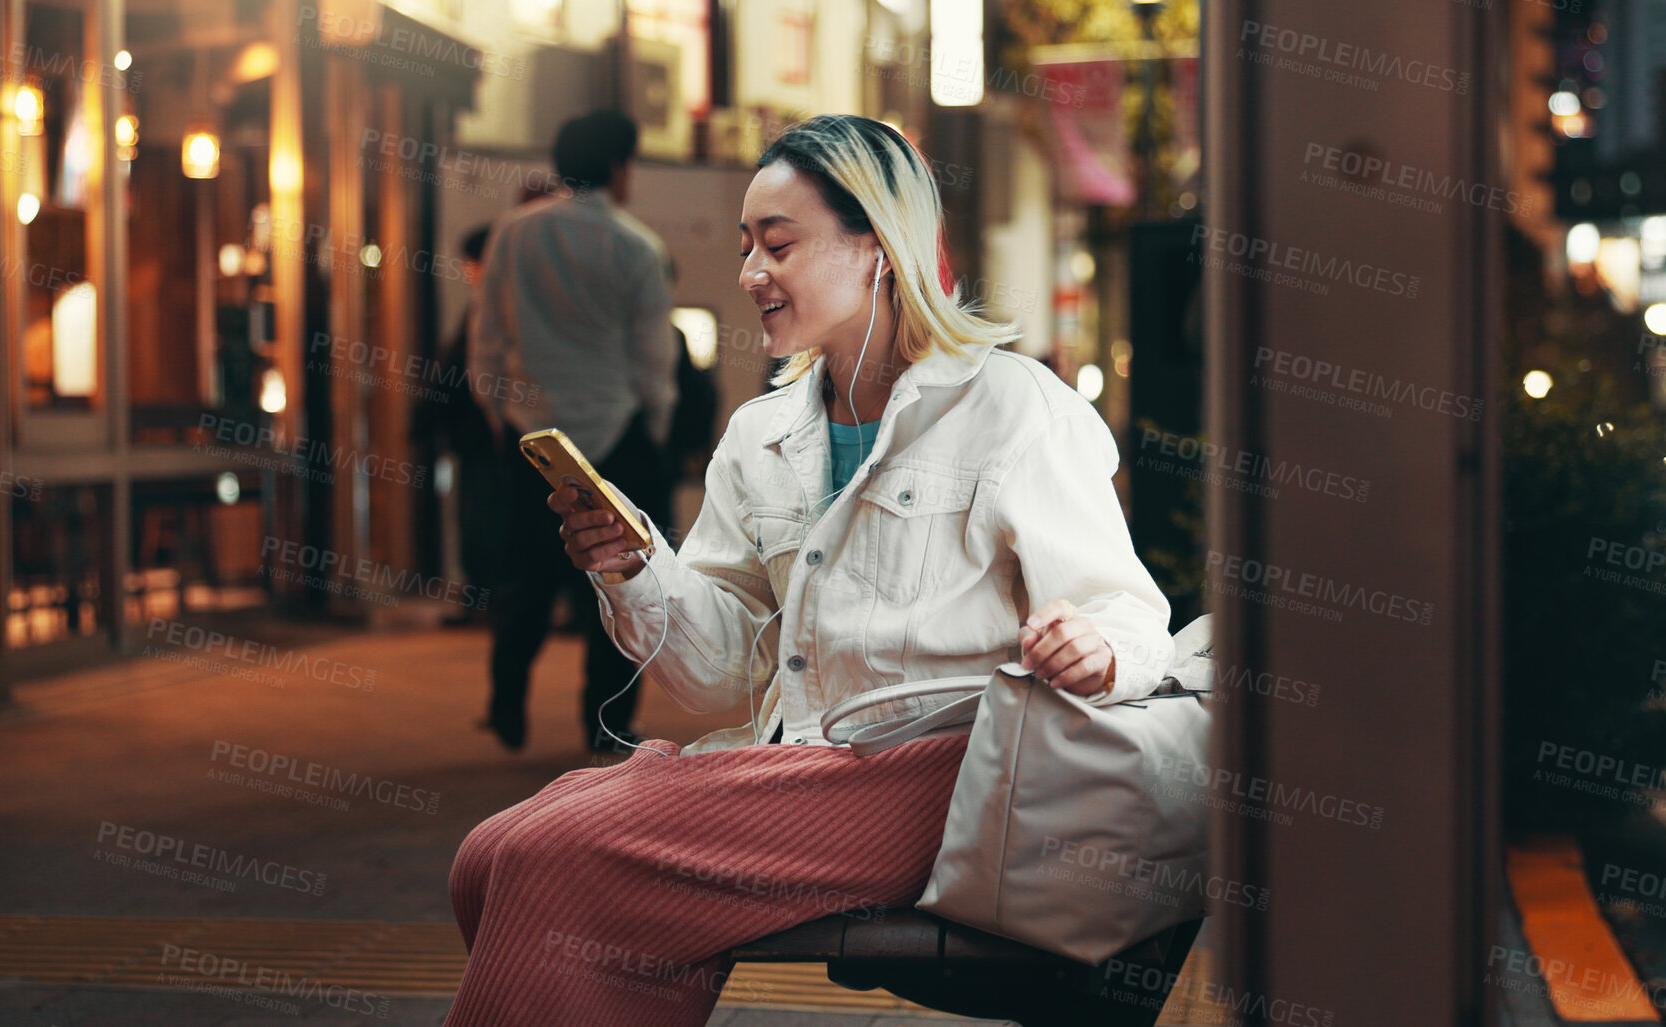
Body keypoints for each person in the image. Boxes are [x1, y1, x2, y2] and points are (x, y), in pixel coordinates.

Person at [445, 114, 1173, 1025]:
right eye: (748, 245)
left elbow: (1131, 613)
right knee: (490, 849)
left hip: (949, 784)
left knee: (556, 855)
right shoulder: (761, 435)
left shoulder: (1014, 408)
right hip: (803, 770)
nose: (751, 272)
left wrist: (1093, 646)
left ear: (876, 243)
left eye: (777, 245)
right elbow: (712, 671)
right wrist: (632, 569)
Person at [470, 110, 677, 753]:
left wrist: (503, 419)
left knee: (523, 578)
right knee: (618, 581)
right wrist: (657, 429)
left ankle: (507, 703)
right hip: (615, 439)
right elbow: (653, 361)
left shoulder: (512, 234)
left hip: (534, 441)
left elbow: (488, 344)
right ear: (619, 167)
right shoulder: (637, 246)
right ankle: (606, 724)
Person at [412, 225, 498, 625]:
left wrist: (424, 420)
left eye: (471, 262)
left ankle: (483, 601)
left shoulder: (488, 308)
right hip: (486, 440)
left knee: (480, 521)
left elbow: (454, 374)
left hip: (483, 441)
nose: (467, 271)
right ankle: (484, 599)